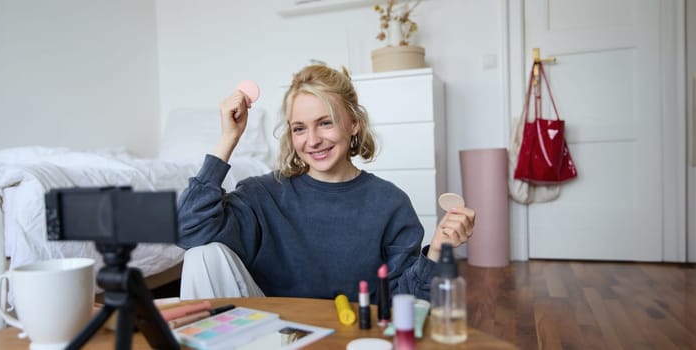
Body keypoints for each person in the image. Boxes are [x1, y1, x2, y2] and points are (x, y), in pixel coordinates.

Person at [176, 64, 476, 301]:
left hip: (352, 331)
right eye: (299, 128)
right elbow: (187, 229)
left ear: (353, 124)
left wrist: (436, 251)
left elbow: (405, 301)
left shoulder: (389, 202)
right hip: (272, 331)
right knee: (202, 253)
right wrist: (229, 138)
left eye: (325, 122)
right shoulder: (262, 193)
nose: (313, 140)